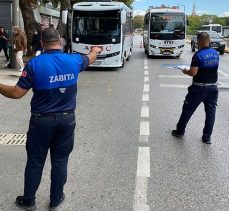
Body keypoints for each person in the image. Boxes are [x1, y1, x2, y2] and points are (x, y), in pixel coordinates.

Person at [0, 27, 101, 211]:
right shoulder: (74, 60)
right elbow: (90, 58)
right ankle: (55, 200)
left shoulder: (34, 64)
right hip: (67, 120)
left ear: (42, 43)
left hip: (41, 122)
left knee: (35, 162)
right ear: (60, 42)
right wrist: (94, 50)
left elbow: (16, 94)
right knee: (60, 161)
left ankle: (29, 201)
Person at [172, 32, 219, 144]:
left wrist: (185, 71)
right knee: (211, 113)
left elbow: (193, 72)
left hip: (198, 88)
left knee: (187, 109)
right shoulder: (215, 53)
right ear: (209, 40)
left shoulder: (198, 55)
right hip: (213, 87)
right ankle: (207, 137)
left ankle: (180, 131)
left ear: (198, 41)